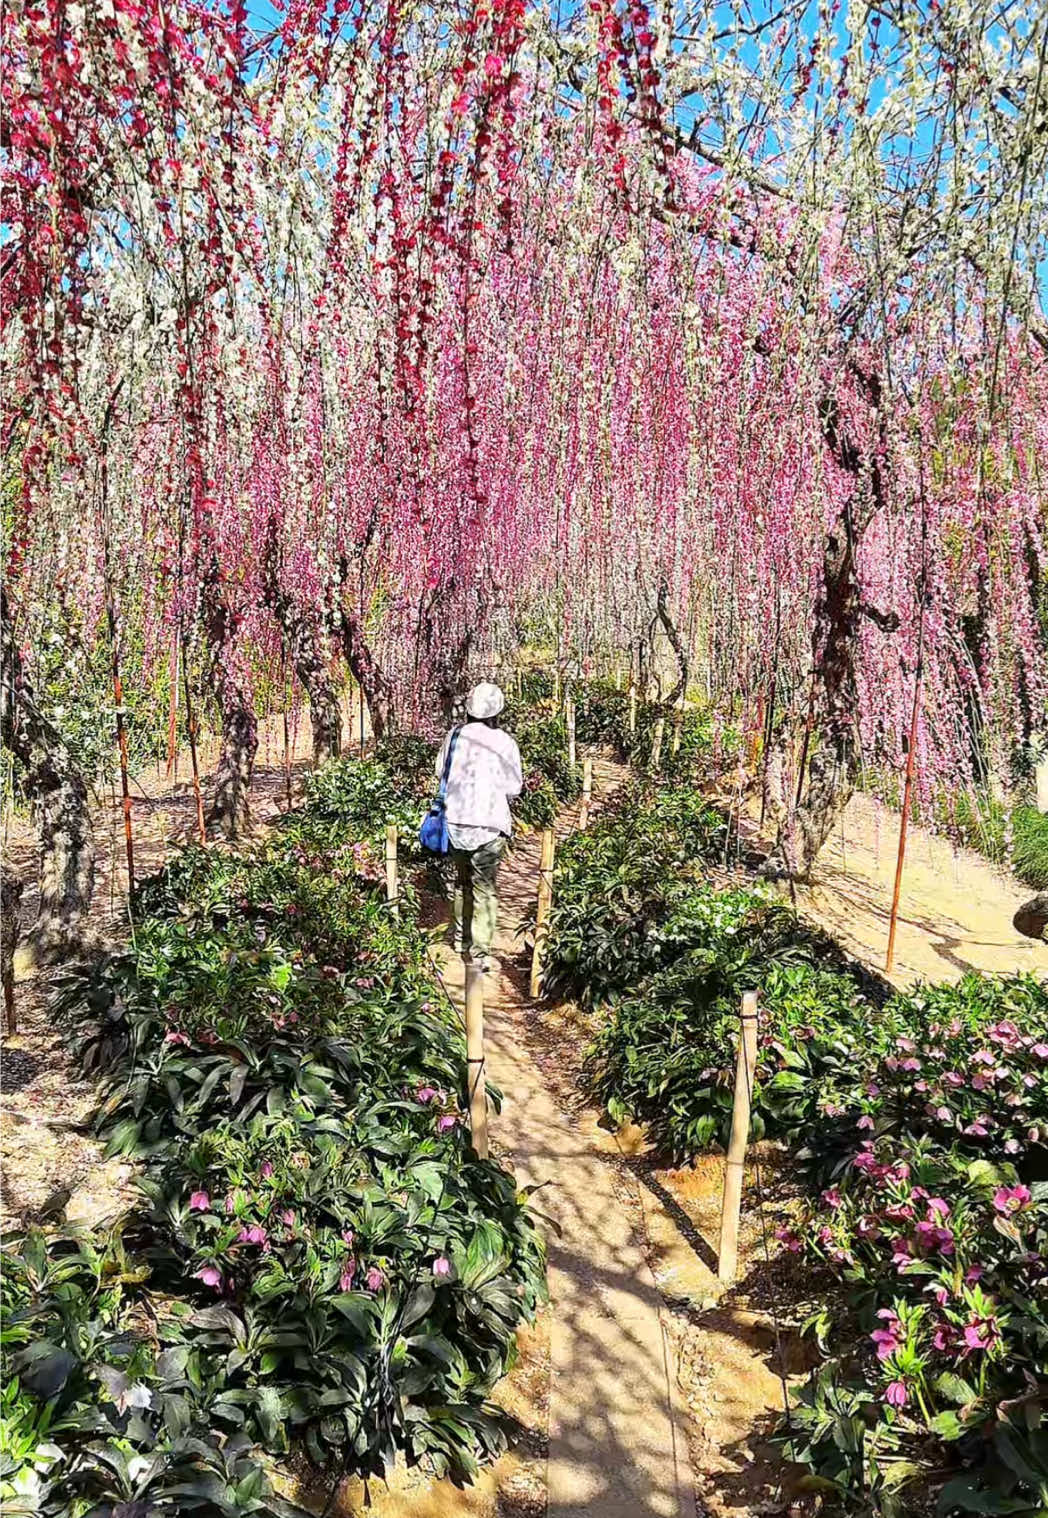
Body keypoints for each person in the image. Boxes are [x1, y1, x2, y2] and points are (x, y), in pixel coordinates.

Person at [435, 682, 523, 969]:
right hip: (488, 825)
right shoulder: (504, 742)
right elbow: (514, 787)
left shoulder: (454, 735)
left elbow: (440, 772)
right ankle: (480, 952)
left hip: (456, 822)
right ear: (496, 711)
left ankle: (461, 940)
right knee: (484, 887)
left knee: (461, 884)